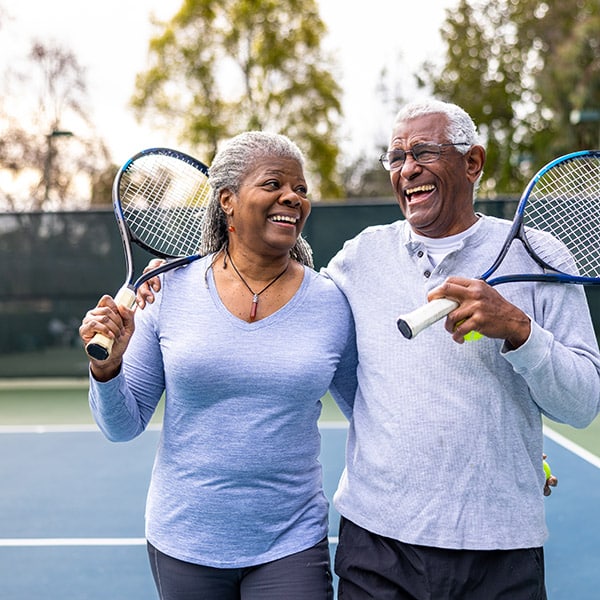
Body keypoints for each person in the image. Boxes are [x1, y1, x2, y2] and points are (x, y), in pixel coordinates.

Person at [324, 99, 600, 599]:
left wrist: (517, 328)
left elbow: (582, 405)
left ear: (472, 162)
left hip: (501, 547)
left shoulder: (541, 257)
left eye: (424, 152)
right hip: (378, 545)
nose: (408, 169)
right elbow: (321, 347)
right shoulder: (360, 257)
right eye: (396, 157)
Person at [78, 131, 358, 600]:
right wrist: (107, 370)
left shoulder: (331, 302)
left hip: (290, 541)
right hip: (183, 540)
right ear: (227, 200)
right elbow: (121, 426)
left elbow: (369, 414)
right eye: (273, 184)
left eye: (302, 189)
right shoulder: (166, 290)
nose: (293, 197)